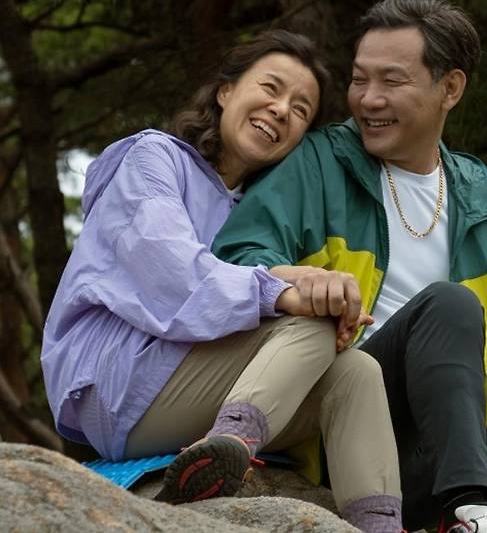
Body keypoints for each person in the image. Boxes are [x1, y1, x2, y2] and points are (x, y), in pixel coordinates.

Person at [213, 0, 487, 533]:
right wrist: (306, 282)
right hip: (342, 426)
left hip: (445, 440)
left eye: (391, 81)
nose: (368, 99)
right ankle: (472, 511)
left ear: (450, 88)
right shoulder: (318, 164)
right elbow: (239, 256)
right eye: (359, 79)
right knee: (448, 304)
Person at [41, 30, 403, 533]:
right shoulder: (153, 158)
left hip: (192, 388)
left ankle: (379, 523)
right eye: (271, 88)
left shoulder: (254, 213)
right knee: (309, 319)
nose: (281, 110)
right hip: (121, 383)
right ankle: (228, 447)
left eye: (300, 110)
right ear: (226, 91)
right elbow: (170, 271)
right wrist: (283, 291)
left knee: (357, 371)